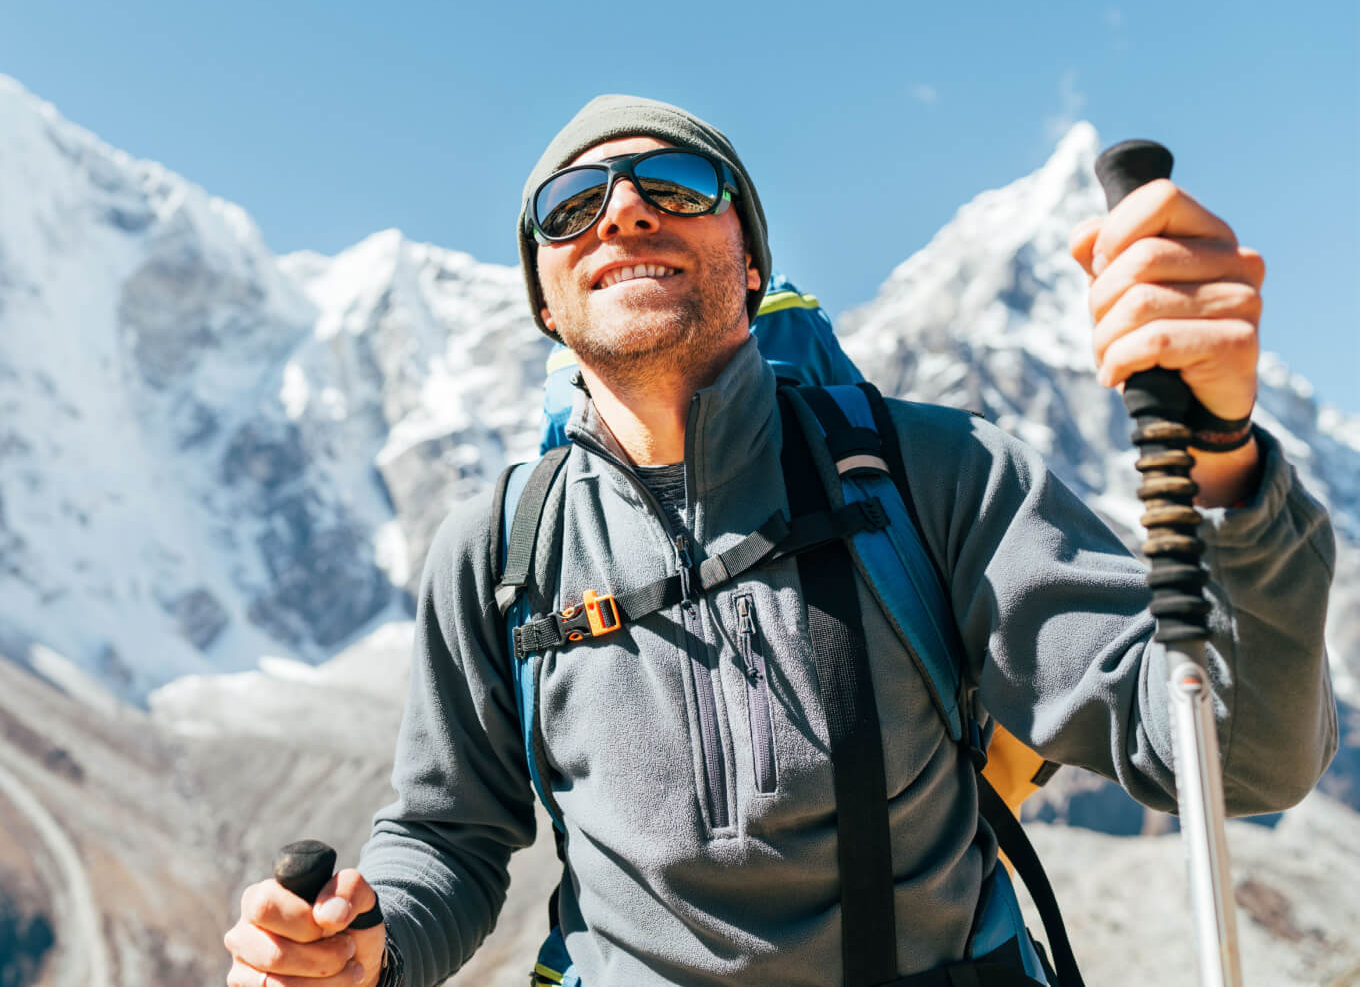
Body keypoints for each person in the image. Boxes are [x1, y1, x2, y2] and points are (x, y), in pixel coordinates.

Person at [222, 96, 1337, 987]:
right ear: (545, 307)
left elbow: (1233, 753)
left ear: (751, 265)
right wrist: (368, 949)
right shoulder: (499, 550)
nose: (620, 212)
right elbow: (449, 837)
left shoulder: (933, 474)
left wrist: (1226, 458)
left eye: (677, 184)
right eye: (569, 206)